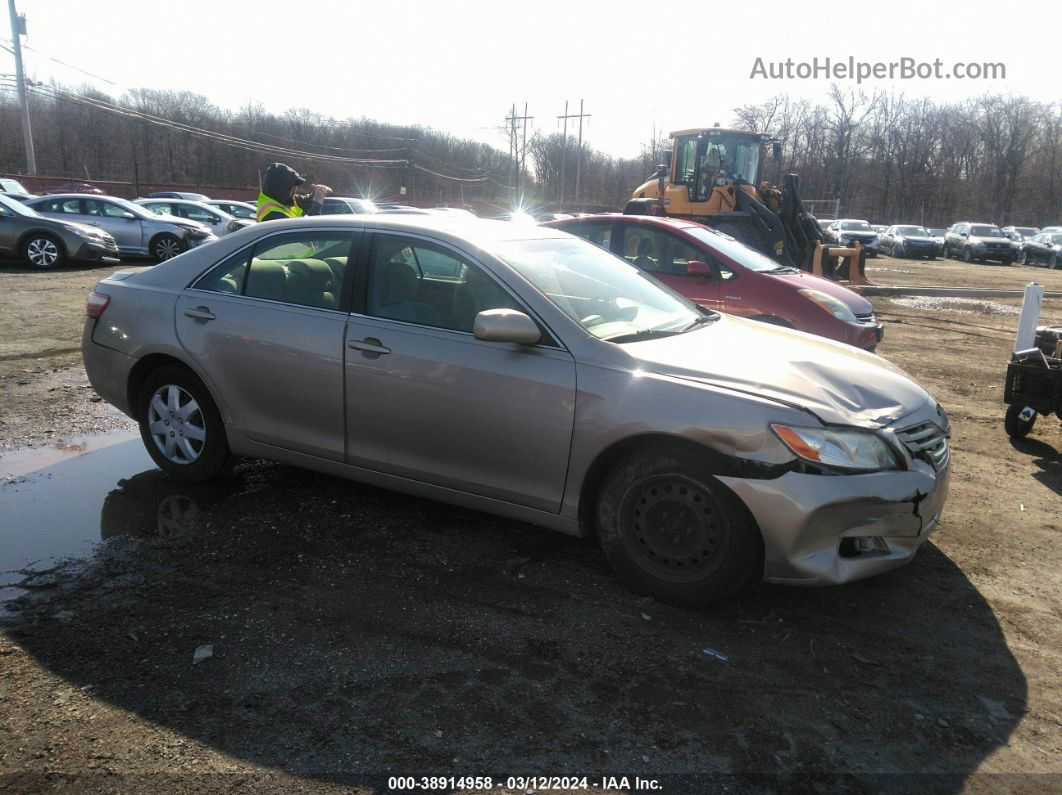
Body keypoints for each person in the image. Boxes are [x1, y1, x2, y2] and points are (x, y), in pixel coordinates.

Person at [256, 163, 332, 222]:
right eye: (293, 186)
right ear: (281, 187)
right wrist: (317, 204)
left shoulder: (279, 198)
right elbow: (308, 232)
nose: (296, 190)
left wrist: (317, 192)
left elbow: (305, 200)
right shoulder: (273, 214)